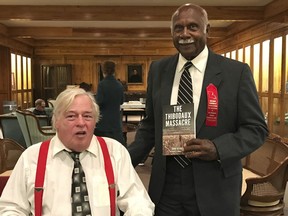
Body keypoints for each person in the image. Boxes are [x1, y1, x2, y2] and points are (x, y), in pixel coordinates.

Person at [128, 3, 268, 216]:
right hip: (166, 185)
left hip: (215, 185)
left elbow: (256, 128)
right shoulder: (158, 70)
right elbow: (150, 126)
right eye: (178, 28)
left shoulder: (235, 73)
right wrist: (121, 162)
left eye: (193, 27)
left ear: (207, 30)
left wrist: (218, 148)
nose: (185, 34)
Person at [0, 88, 155, 215]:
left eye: (87, 116)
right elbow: (11, 208)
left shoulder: (115, 151)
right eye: (71, 116)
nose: (81, 123)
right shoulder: (31, 157)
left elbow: (138, 201)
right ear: (56, 122)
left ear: (95, 121)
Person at [94, 61, 126, 147]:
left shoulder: (102, 84)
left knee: (102, 146)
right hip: (116, 122)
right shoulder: (119, 85)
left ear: (103, 71)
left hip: (103, 122)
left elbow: (99, 101)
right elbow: (122, 101)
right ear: (114, 71)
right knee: (116, 146)